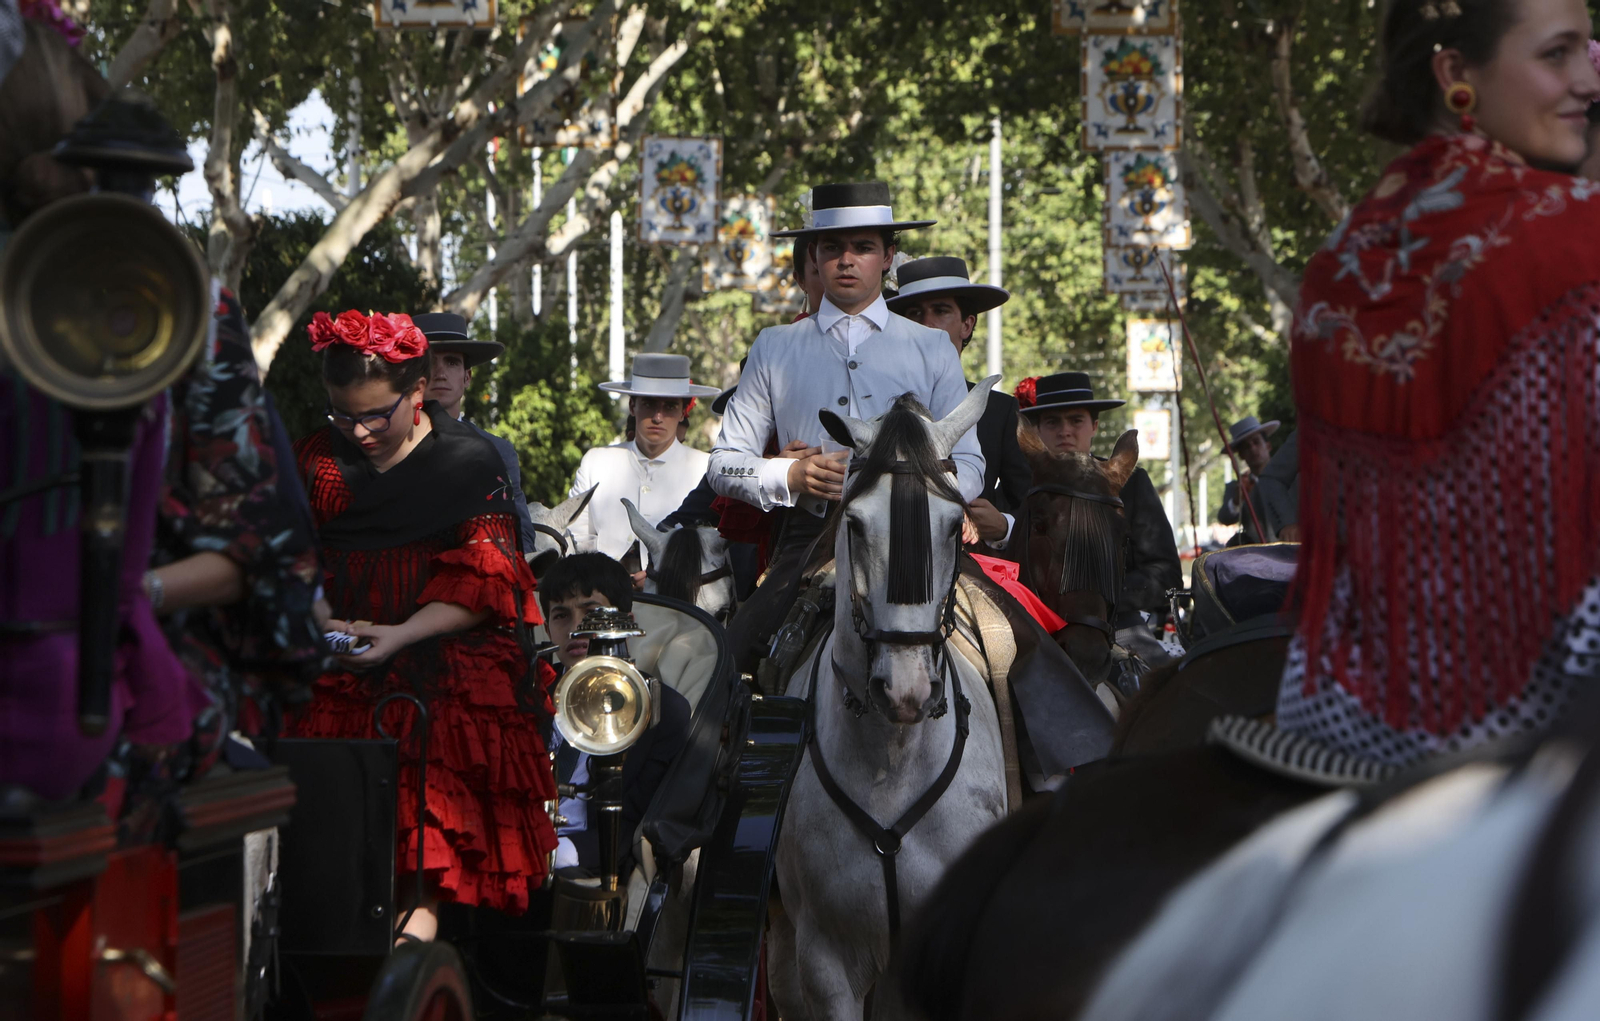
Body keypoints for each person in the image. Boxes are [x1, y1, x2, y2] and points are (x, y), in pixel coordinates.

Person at [1273, 0, 1600, 771]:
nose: (1587, 78)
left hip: (1335, 702)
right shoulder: (1576, 235)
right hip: (1540, 698)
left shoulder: (1338, 262)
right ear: (1456, 73)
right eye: (1558, 54)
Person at [288, 309, 556, 939]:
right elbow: (289, 557)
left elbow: (488, 585)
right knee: (324, 858)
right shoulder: (315, 461)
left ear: (416, 393)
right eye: (342, 416)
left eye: (376, 416)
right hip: (330, 672)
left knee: (417, 863)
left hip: (438, 673)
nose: (359, 432)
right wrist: (320, 616)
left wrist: (401, 634)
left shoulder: (470, 460)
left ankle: (405, 985)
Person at [710, 181, 986, 669]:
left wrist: (917, 486)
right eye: (832, 247)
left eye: (863, 247)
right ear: (813, 256)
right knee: (729, 665)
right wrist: (788, 477)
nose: (846, 259)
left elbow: (969, 464)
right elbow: (724, 466)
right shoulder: (774, 345)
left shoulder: (932, 348)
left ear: (888, 257)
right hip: (809, 543)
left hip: (917, 540)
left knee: (1009, 654)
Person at [538, 551, 690, 875]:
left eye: (592, 612)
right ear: (548, 628)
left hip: (592, 860)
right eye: (561, 615)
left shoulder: (663, 710)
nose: (576, 628)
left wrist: (555, 853)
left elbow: (638, 822)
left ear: (626, 623)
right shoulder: (526, 695)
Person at [1020, 372, 1182, 649]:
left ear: (1094, 426)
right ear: (1037, 431)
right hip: (1034, 631)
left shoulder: (1132, 485)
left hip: (1117, 628)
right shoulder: (1022, 488)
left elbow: (1165, 573)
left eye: (1076, 420)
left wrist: (1096, 596)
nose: (1065, 430)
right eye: (1052, 421)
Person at [887, 255, 1031, 546]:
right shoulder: (879, 400)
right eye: (914, 314)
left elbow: (1033, 508)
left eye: (941, 311)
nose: (927, 324)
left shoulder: (1001, 411)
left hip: (974, 567)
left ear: (967, 325)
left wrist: (1004, 526)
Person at [567, 354, 717, 581]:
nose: (658, 417)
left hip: (674, 601)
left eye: (669, 406)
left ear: (682, 412)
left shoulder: (705, 469)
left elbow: (711, 548)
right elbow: (575, 536)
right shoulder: (596, 462)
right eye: (649, 403)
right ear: (632, 406)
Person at [411, 312, 538, 556]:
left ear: (467, 377)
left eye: (451, 362)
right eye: (429, 361)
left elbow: (521, 536)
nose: (440, 373)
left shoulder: (498, 451)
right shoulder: (389, 445)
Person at [1216, 415, 1280, 543]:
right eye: (1246, 446)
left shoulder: (1290, 478)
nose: (1253, 449)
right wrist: (1236, 501)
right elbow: (1225, 517)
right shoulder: (1238, 487)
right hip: (1256, 557)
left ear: (1268, 446)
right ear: (1241, 455)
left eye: (1256, 442)